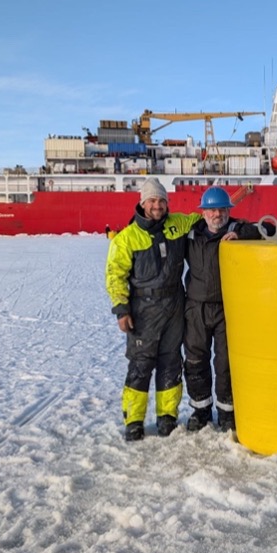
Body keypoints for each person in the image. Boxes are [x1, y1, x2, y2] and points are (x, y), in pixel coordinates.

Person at [106, 177, 199, 441]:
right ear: (143, 203)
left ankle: (166, 417)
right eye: (152, 201)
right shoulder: (126, 239)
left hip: (173, 305)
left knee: (171, 362)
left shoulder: (177, 224)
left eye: (161, 201)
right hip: (143, 309)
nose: (157, 206)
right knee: (141, 365)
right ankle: (134, 421)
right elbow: (115, 274)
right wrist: (122, 309)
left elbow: (202, 220)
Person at [183, 186, 263, 432]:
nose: (217, 214)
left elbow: (264, 230)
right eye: (212, 210)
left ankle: (227, 412)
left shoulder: (236, 229)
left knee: (226, 362)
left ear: (229, 211)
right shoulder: (190, 235)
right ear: (203, 213)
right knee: (196, 359)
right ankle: (200, 410)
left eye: (221, 209)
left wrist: (242, 235)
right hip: (196, 307)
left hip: (228, 309)